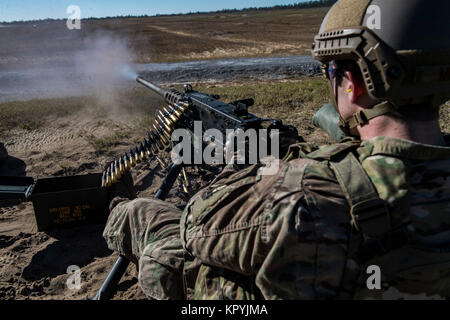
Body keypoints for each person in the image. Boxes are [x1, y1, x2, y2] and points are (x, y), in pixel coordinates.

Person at [103, 0, 450, 300]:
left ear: (353, 84)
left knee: (145, 218)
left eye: (331, 71)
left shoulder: (303, 193)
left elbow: (195, 223)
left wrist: (240, 162)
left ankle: (114, 204)